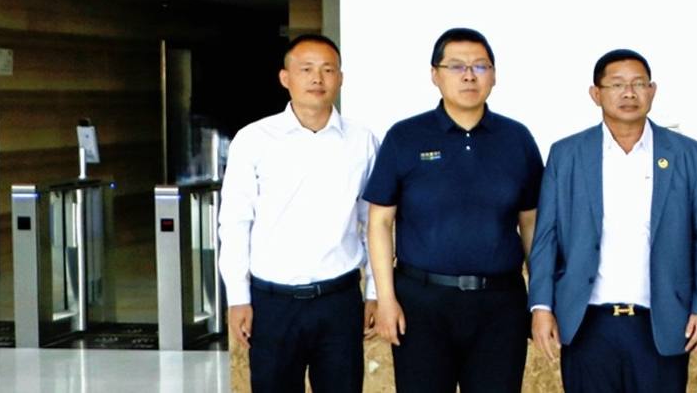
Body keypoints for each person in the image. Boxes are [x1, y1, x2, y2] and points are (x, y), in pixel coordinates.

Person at [527, 49, 697, 393]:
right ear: (596, 93)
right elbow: (547, 236)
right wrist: (541, 306)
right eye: (617, 84)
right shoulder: (566, 154)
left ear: (653, 90)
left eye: (638, 84)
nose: (629, 93)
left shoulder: (691, 156)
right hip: (587, 322)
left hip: (662, 322)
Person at [363, 27, 543, 392]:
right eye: (457, 66)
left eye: (480, 66)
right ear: (435, 74)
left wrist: (541, 301)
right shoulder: (405, 136)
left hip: (500, 304)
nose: (469, 75)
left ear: (494, 75)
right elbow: (379, 222)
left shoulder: (517, 139)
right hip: (421, 303)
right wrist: (385, 299)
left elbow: (531, 223)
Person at [219, 34, 380, 393]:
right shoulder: (254, 139)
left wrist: (375, 291)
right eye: (306, 69)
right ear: (285, 77)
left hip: (339, 301)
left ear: (340, 78)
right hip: (272, 304)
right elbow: (235, 222)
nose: (317, 79)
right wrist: (238, 298)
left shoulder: (362, 141)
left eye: (328, 70)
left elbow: (373, 223)